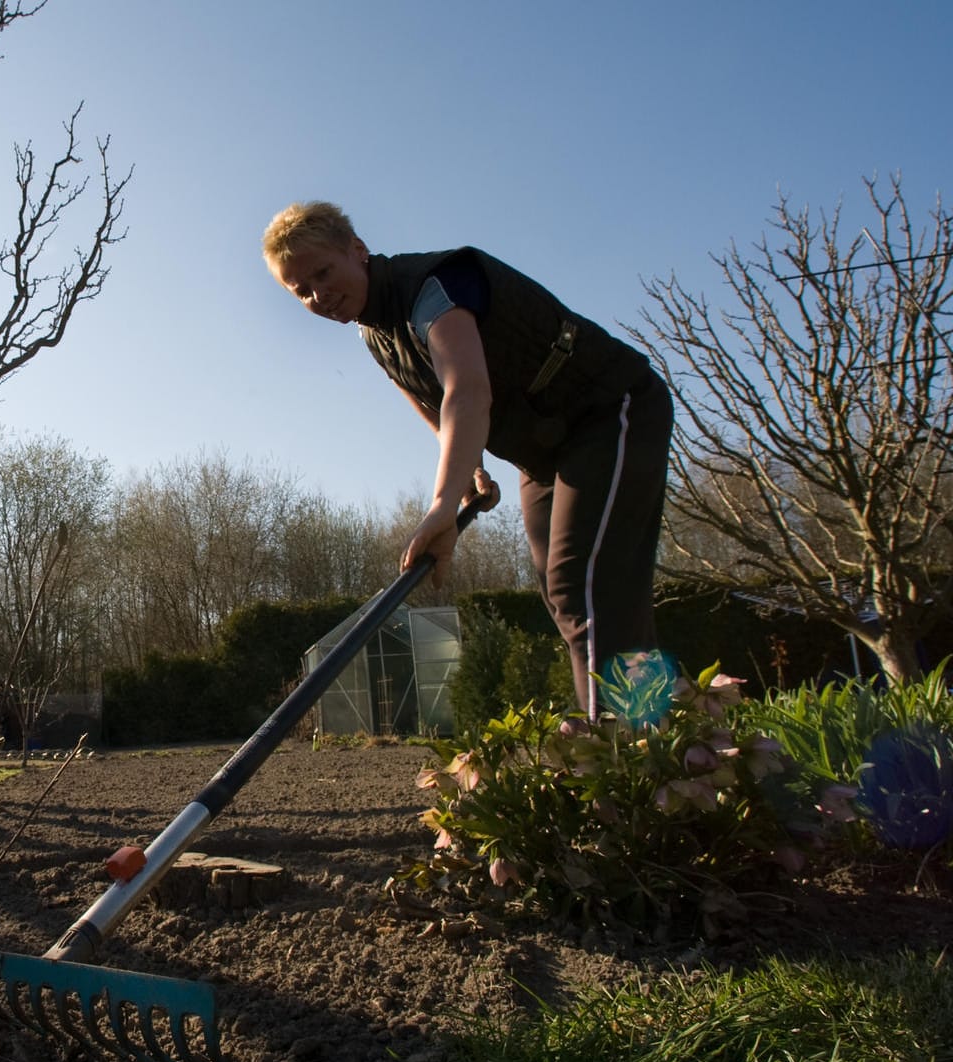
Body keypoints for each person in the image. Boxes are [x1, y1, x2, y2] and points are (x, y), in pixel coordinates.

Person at [261, 201, 674, 721]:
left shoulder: (434, 286)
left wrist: (440, 503)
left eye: (323, 272)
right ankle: (666, 736)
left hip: (609, 411)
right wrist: (470, 465)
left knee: (586, 589)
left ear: (357, 251)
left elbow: (465, 388)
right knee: (568, 597)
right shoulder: (376, 332)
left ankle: (637, 756)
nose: (318, 295)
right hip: (544, 453)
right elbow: (423, 395)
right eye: (301, 291)